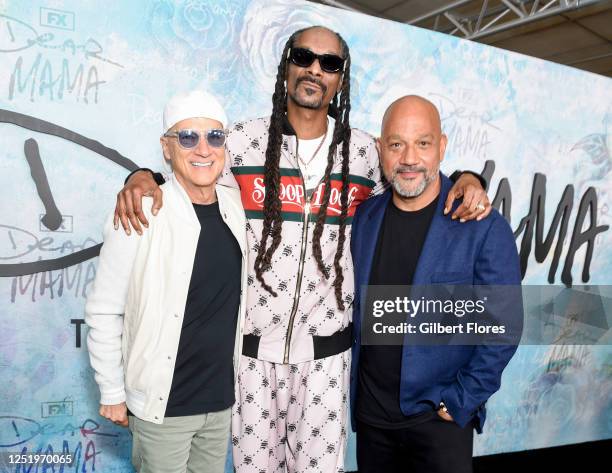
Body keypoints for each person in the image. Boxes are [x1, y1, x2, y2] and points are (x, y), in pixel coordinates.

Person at [112, 27, 492, 472]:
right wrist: (141, 176)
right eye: (304, 56)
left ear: (340, 79)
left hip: (328, 363)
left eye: (329, 63)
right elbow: (190, 165)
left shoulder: (366, 153)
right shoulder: (241, 142)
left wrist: (469, 178)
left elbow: (416, 179)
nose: (315, 68)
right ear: (287, 65)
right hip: (252, 358)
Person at [350, 95, 522, 473]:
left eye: (423, 143)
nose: (409, 158)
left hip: (437, 422)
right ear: (381, 150)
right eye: (397, 144)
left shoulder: (482, 225)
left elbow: (503, 327)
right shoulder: (366, 217)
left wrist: (463, 397)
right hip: (373, 420)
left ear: (441, 146)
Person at [85, 90, 247, 473]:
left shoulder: (236, 205)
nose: (203, 149)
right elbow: (104, 309)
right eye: (188, 137)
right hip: (163, 409)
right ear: (167, 147)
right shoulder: (140, 211)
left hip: (220, 402)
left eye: (215, 137)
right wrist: (111, 390)